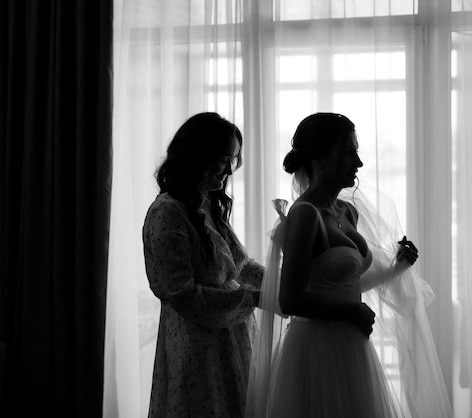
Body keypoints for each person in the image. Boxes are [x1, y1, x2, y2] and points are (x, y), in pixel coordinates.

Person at [246, 113, 453, 418]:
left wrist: (396, 268)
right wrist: (351, 310)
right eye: (348, 152)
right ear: (318, 159)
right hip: (316, 348)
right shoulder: (305, 214)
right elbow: (290, 300)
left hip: (351, 344)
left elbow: (347, 285)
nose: (358, 162)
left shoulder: (347, 211)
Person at [143, 112, 263, 418]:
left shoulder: (207, 205)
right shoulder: (166, 213)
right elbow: (180, 293)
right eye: (225, 159)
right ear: (199, 155)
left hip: (232, 337)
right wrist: (251, 298)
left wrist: (288, 281)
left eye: (234, 159)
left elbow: (242, 266)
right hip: (197, 346)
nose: (231, 169)